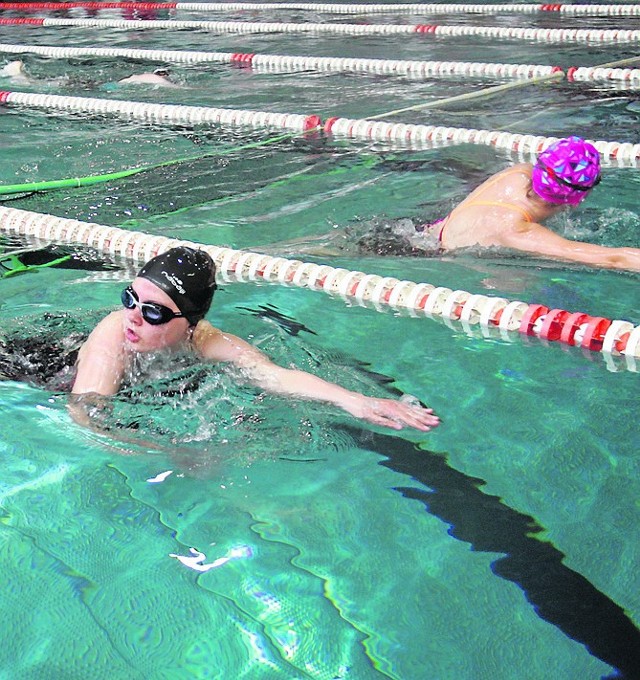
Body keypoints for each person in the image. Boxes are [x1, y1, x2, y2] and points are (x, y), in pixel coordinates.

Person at [70, 246, 440, 433]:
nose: (133, 315)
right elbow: (84, 414)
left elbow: (272, 375)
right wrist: (161, 452)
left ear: (191, 323)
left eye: (154, 312)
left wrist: (354, 401)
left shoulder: (206, 341)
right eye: (129, 298)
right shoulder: (114, 333)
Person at [418, 136, 640, 271]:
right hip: (434, 257)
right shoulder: (517, 231)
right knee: (517, 282)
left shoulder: (519, 172)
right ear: (575, 197)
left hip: (426, 232)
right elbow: (613, 259)